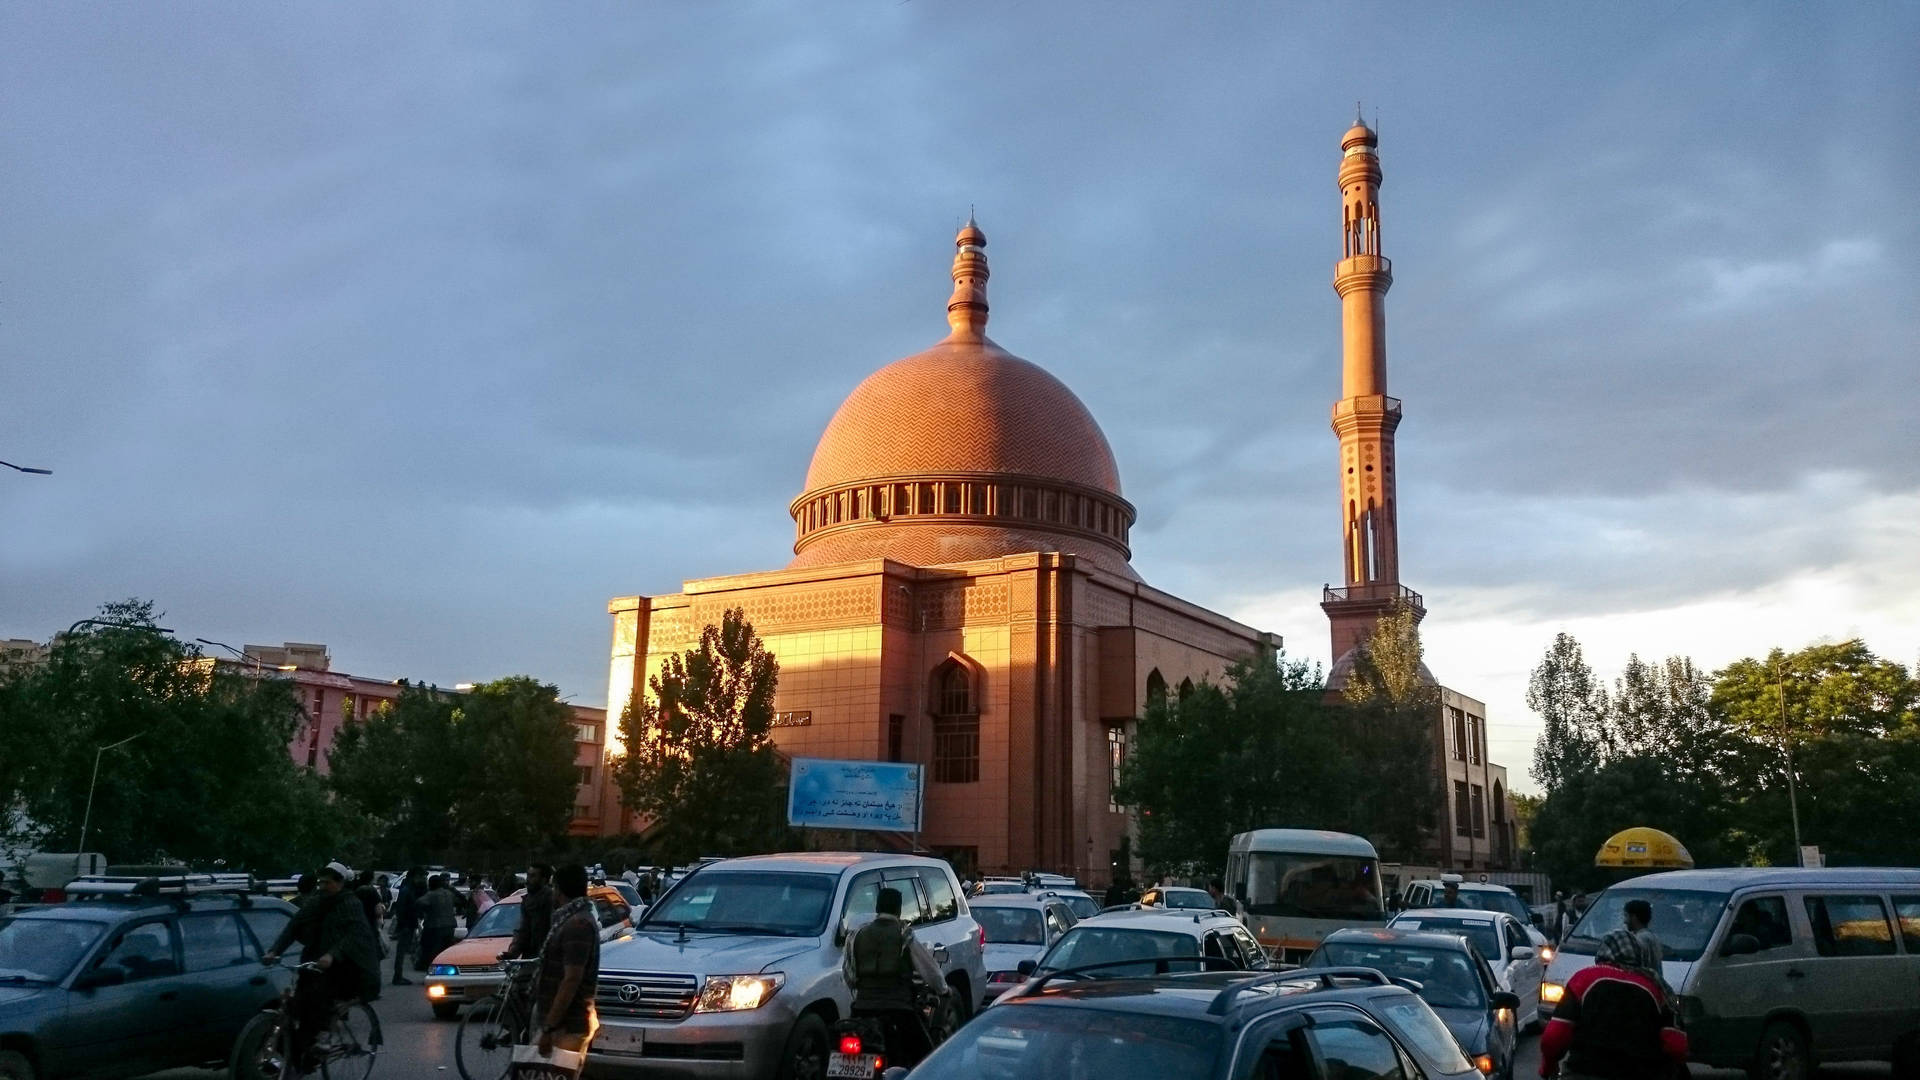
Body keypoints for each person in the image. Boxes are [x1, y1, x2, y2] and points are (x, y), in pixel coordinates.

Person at [263, 862, 381, 1071]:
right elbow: (294, 926)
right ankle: (301, 1057)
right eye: (321, 882)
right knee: (298, 1005)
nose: (323, 886)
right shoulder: (316, 902)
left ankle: (324, 1038)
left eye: (328, 883)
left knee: (320, 998)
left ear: (340, 883)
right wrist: (275, 951)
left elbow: (353, 935)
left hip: (346, 965)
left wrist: (332, 955)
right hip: (315, 961)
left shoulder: (351, 903)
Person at [1537, 929, 1687, 1079]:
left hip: (1585, 1070)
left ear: (1603, 951)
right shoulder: (1656, 987)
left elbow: (1554, 1037)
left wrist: (1548, 1067)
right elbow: (1676, 1046)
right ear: (1638, 954)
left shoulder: (1584, 979)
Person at [843, 887, 949, 1068]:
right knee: (926, 1062)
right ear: (899, 909)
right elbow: (930, 970)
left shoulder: (857, 935)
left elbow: (849, 976)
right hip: (899, 1010)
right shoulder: (904, 934)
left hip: (861, 1009)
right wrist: (943, 990)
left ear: (877, 907)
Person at [532, 864, 601, 1063]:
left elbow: (571, 979)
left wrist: (550, 1027)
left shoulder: (577, 925)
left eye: (554, 888)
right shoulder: (570, 920)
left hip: (568, 1025)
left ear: (559, 889)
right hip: (562, 1023)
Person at [507, 864, 557, 961]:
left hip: (549, 957)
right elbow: (523, 930)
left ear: (544, 879)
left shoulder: (552, 900)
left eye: (533, 876)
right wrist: (513, 952)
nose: (528, 880)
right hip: (531, 957)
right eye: (528, 875)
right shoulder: (527, 901)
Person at [418, 873, 459, 972]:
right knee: (445, 950)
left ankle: (431, 971)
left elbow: (419, 903)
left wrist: (427, 910)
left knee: (431, 950)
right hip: (450, 925)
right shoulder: (449, 893)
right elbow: (459, 901)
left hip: (434, 926)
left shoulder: (431, 894)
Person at [390, 867, 424, 985]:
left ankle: (398, 975)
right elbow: (402, 909)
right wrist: (404, 924)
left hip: (408, 923)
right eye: (420, 876)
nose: (422, 879)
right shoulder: (407, 890)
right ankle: (397, 976)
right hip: (406, 924)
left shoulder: (410, 889)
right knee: (401, 951)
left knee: (403, 950)